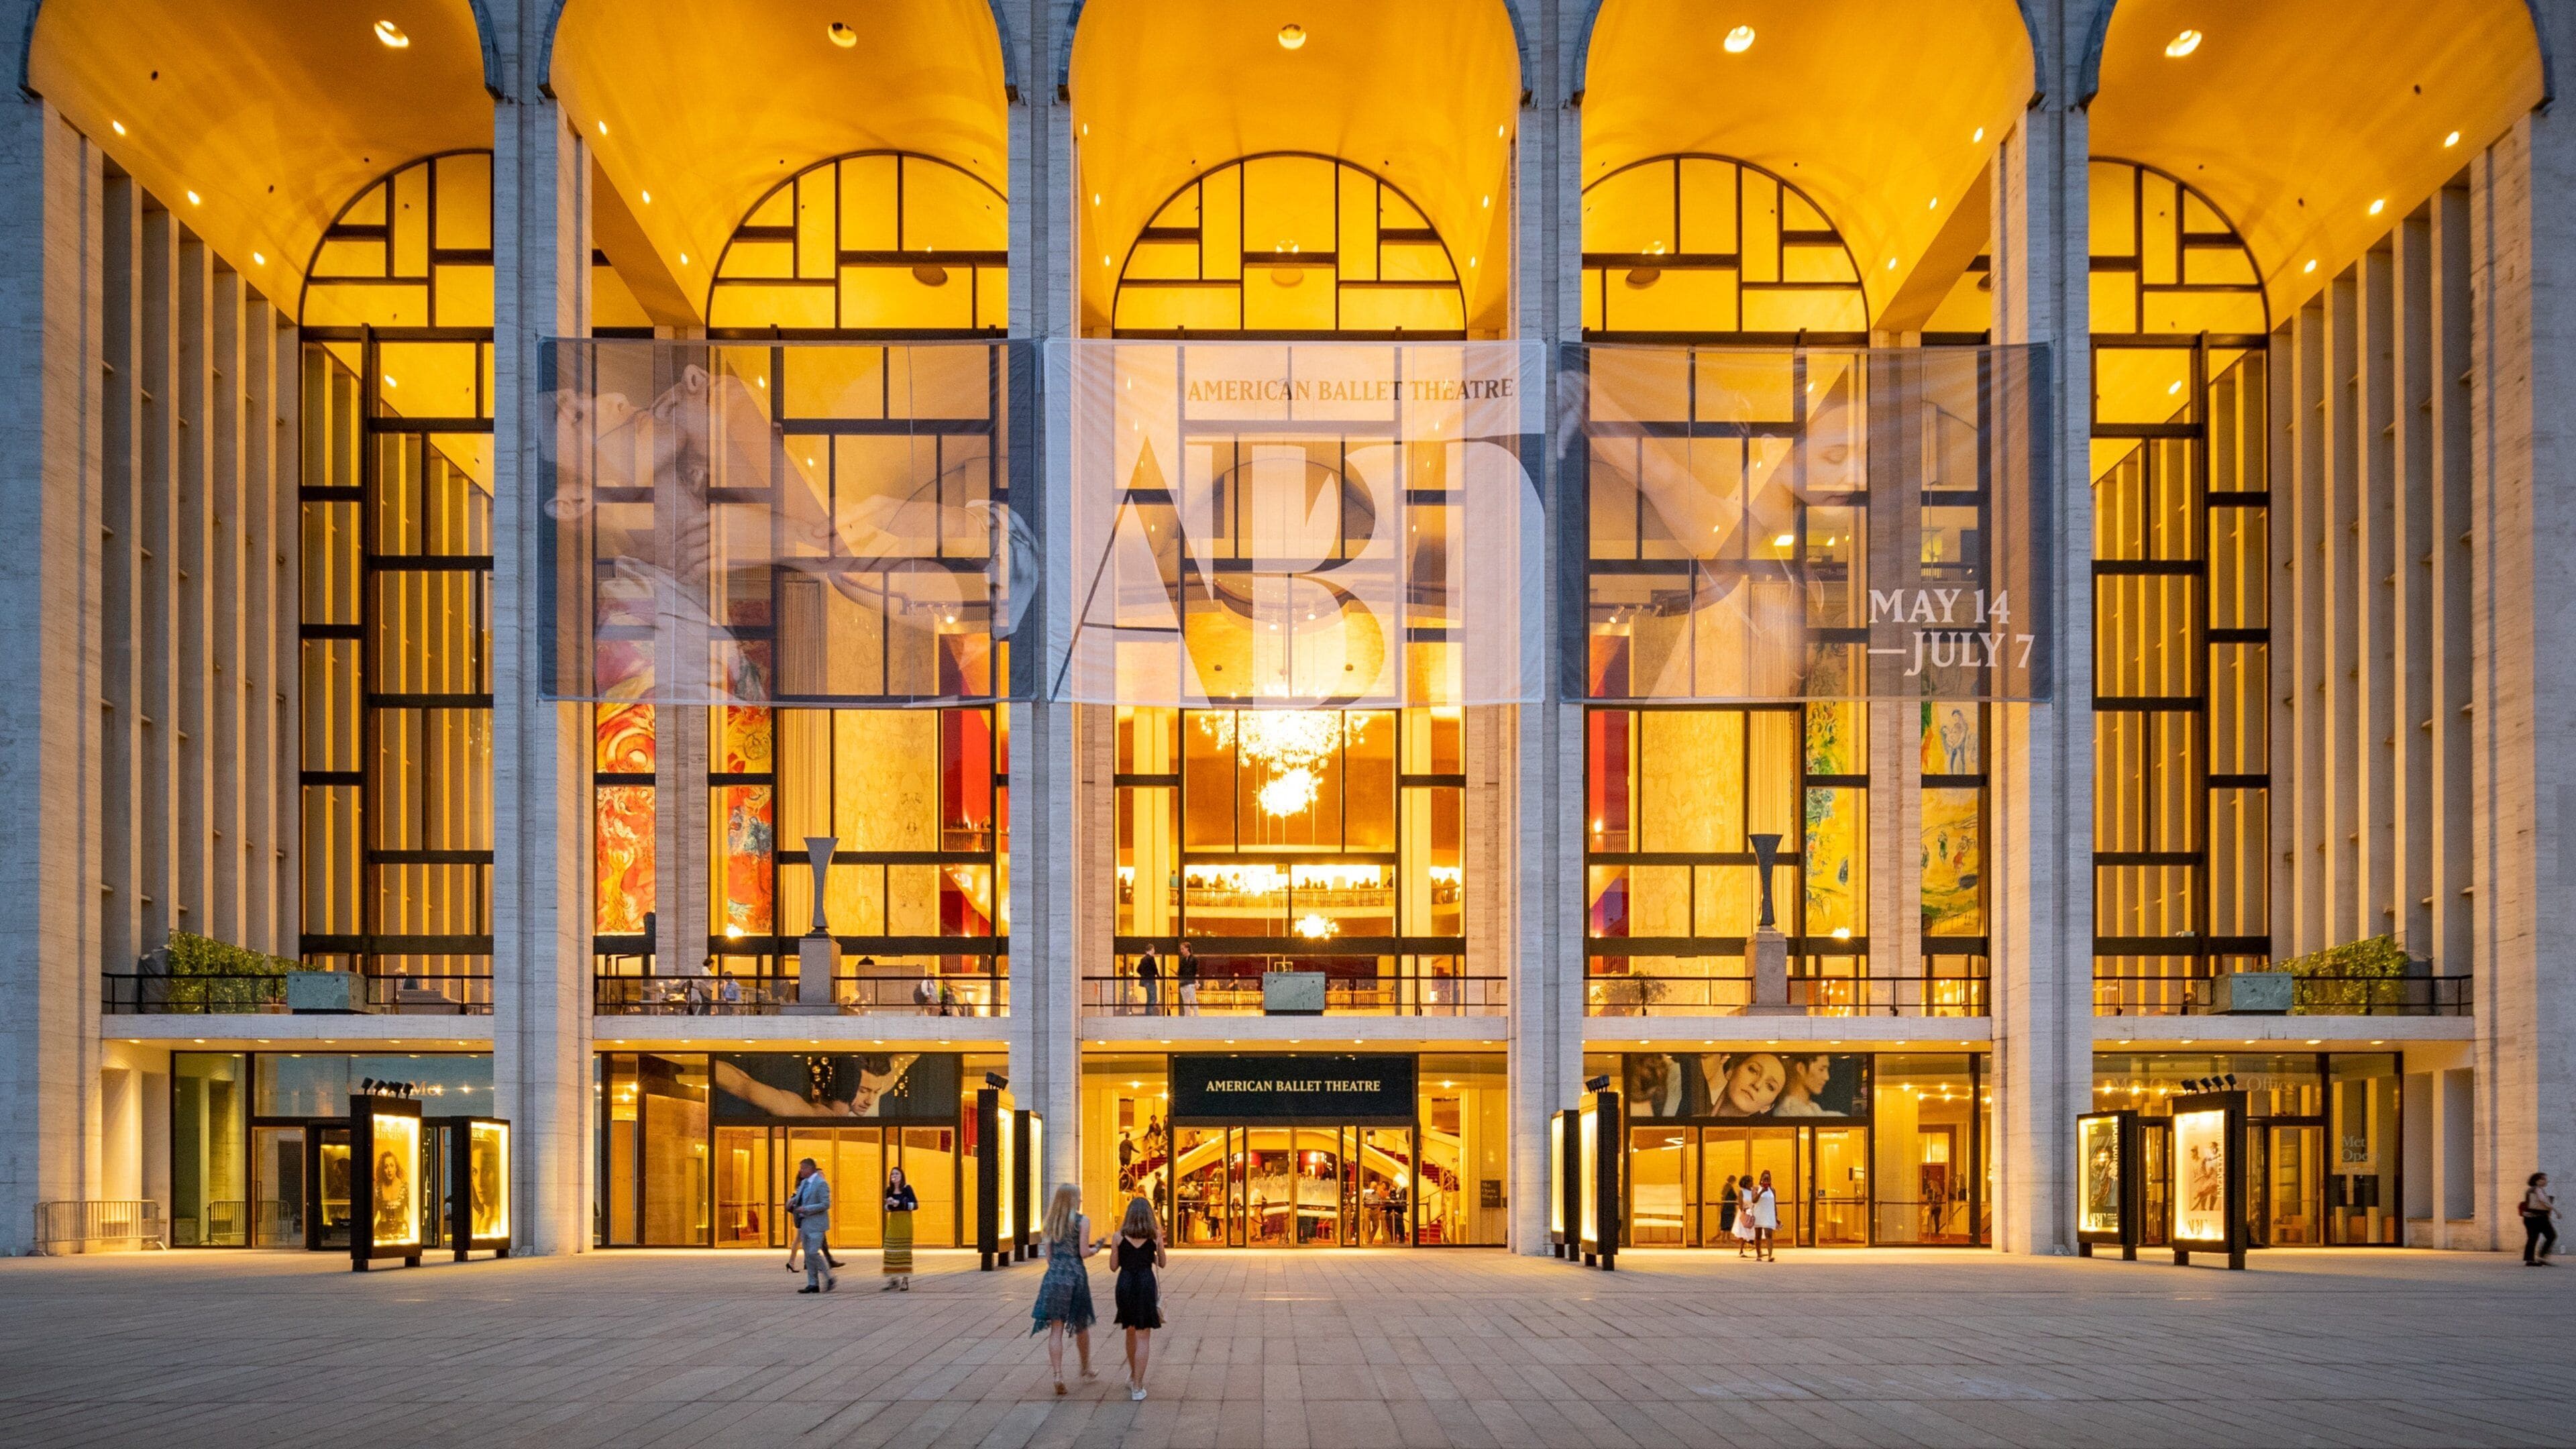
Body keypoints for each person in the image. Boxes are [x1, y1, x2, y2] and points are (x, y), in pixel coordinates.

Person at [1030, 1184, 1099, 1395]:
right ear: (1073, 1199)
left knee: (1056, 1329)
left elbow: (1049, 1257)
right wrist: (1096, 1248)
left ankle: (1058, 1374)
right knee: (1081, 1325)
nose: (1080, 1200)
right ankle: (1085, 1366)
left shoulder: (1050, 1223)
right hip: (1075, 1275)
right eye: (1078, 1197)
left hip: (1054, 1276)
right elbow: (1083, 1252)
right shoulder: (1082, 1221)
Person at [1112, 1196, 1167, 1402]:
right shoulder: (1154, 1235)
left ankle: (1133, 1374)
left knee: (1130, 1331)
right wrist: (1155, 1248)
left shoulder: (1118, 1236)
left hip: (1125, 1284)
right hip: (1145, 1283)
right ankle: (1138, 1385)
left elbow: (1113, 1266)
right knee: (1144, 1336)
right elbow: (1162, 1263)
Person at [788, 1157, 835, 1292]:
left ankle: (829, 1277)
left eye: (802, 1168)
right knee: (808, 1254)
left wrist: (807, 1209)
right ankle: (813, 1284)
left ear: (810, 1169)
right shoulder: (804, 1183)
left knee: (813, 1252)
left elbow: (826, 1204)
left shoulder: (821, 1184)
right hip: (805, 1223)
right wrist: (791, 1201)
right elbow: (798, 1198)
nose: (800, 1171)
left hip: (817, 1224)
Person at [881, 1166, 920, 1291]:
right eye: (893, 1174)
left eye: (897, 1174)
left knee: (904, 1251)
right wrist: (889, 1204)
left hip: (905, 1222)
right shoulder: (889, 1190)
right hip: (894, 1222)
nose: (895, 1176)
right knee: (890, 1249)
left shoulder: (907, 1189)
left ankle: (905, 1280)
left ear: (902, 1176)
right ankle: (893, 1279)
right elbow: (886, 1209)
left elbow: (915, 1205)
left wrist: (901, 1204)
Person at [2524, 1172, 2560, 1266]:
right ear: (2537, 1181)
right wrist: (2556, 1211)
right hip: (2536, 1218)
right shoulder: (2536, 1189)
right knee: (2550, 1236)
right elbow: (2543, 1201)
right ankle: (2538, 1258)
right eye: (2543, 1179)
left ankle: (2533, 1259)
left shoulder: (2535, 1190)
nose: (2546, 1181)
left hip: (2535, 1218)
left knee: (2533, 1238)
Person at [1752, 1169, 1780, 1261]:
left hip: (1769, 1215)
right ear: (1761, 1179)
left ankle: (1770, 1255)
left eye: (1768, 1179)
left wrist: (1776, 1217)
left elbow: (1774, 1204)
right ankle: (1759, 1254)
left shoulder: (1773, 1190)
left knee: (1769, 1234)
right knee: (1758, 1235)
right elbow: (1754, 1200)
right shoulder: (1756, 1188)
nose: (1766, 1181)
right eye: (1765, 1179)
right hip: (1759, 1213)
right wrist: (1761, 1192)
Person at [1732, 1175, 1758, 1258]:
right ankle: (1741, 1250)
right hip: (1745, 1212)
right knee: (1743, 1231)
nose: (1752, 1183)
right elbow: (1740, 1204)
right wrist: (1745, 1210)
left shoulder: (1754, 1191)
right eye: (1751, 1181)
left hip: (1753, 1212)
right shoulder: (1742, 1192)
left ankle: (1757, 1249)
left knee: (1755, 1231)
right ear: (1746, 1183)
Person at [1135, 946, 1161, 1017]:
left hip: (1145, 982)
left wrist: (1144, 975)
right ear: (1150, 950)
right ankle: (1150, 1013)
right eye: (1153, 949)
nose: (1154, 951)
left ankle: (1147, 1014)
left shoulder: (1143, 959)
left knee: (1149, 998)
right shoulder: (1151, 958)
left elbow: (1138, 969)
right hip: (1151, 981)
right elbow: (1154, 968)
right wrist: (1158, 976)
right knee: (1154, 998)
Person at [1175, 941, 1199, 1015]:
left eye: (1183, 949)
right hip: (1183, 983)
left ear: (1187, 949)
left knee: (1193, 1000)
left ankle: (1196, 1016)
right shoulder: (1182, 960)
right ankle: (1188, 1016)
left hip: (1190, 983)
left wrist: (1197, 982)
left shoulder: (1194, 959)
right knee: (1186, 1002)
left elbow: (1196, 971)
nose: (1181, 951)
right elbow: (1180, 972)